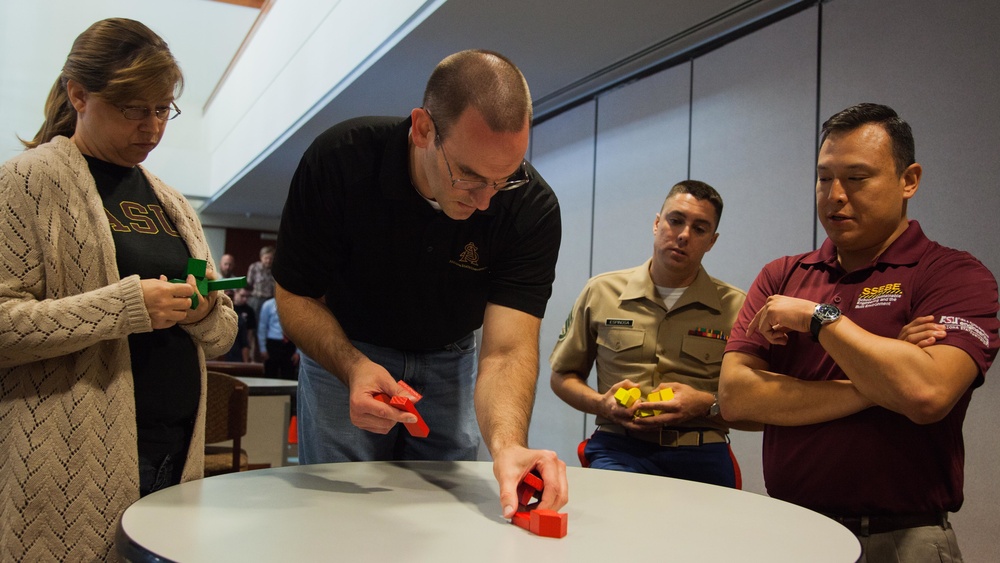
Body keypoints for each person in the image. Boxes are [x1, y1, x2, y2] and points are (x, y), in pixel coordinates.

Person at [272, 49, 567, 518]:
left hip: (450, 357)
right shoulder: (341, 161)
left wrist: (509, 445)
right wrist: (351, 367)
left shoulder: (530, 206)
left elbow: (507, 351)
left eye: (504, 179)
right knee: (340, 509)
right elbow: (295, 294)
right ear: (423, 129)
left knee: (446, 507)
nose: (486, 203)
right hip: (346, 346)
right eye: (468, 176)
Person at [0, 18, 237, 561]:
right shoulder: (27, 181)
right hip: (68, 463)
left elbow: (222, 332)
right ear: (78, 94)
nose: (151, 127)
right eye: (133, 109)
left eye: (161, 110)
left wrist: (201, 313)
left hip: (175, 452)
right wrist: (127, 307)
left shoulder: (172, 202)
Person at [719, 103, 999, 562]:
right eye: (824, 177)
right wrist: (880, 381)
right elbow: (736, 398)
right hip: (792, 532)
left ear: (909, 180)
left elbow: (927, 394)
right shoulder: (783, 276)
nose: (835, 196)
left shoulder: (953, 275)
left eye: (857, 178)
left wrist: (818, 319)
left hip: (904, 539)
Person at [550, 181, 749, 486]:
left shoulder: (737, 307)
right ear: (657, 223)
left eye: (699, 229)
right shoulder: (601, 291)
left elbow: (758, 410)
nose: (683, 235)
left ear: (712, 241)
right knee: (615, 526)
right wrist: (601, 404)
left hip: (701, 451)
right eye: (675, 220)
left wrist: (707, 403)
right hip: (619, 448)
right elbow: (563, 377)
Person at [257, 296, 298, 380]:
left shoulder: (295, 305)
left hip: (290, 343)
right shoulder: (268, 305)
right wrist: (263, 349)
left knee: (289, 374)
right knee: (270, 374)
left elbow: (300, 329)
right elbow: (262, 327)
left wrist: (298, 352)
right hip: (273, 343)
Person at [223, 287, 257, 362]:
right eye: (242, 296)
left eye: (247, 297)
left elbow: (248, 336)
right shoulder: (225, 310)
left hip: (237, 348)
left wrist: (247, 355)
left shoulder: (247, 312)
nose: (245, 299)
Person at [246, 245, 275, 322]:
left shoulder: (275, 270)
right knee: (254, 321)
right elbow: (248, 284)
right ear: (261, 257)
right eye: (266, 258)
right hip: (256, 299)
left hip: (270, 300)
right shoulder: (254, 267)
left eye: (271, 259)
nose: (268, 261)